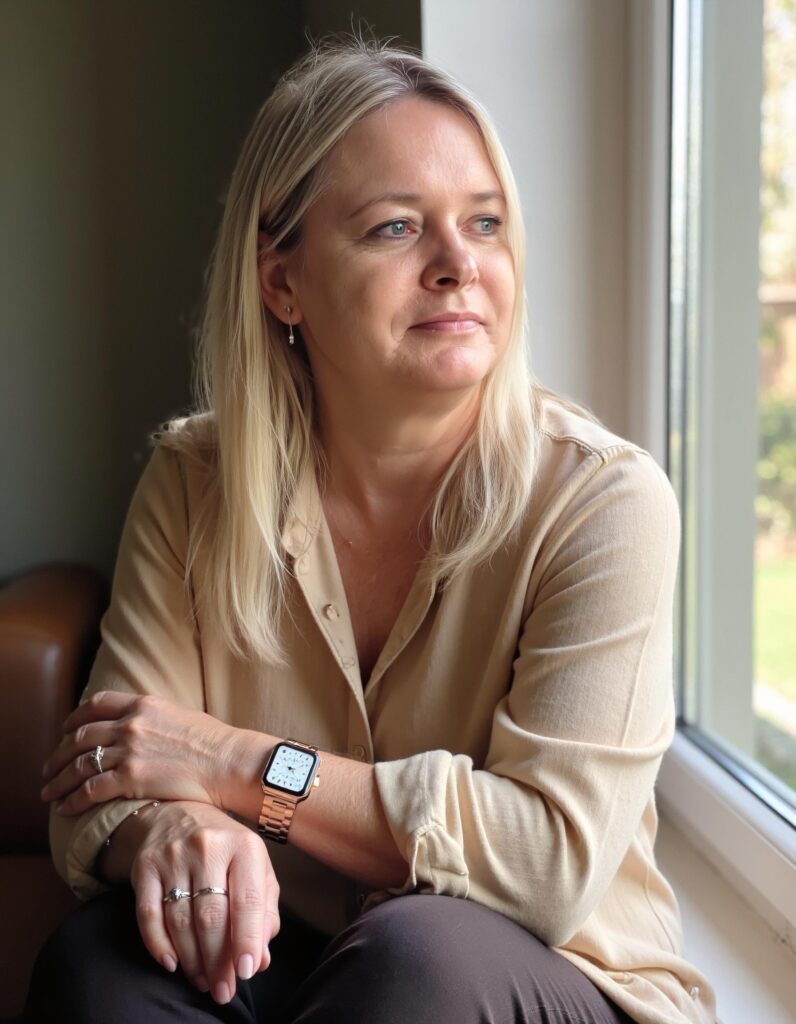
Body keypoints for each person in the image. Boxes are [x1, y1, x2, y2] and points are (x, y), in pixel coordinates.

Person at [28, 38, 716, 1024]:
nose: (459, 265)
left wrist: (229, 766)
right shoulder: (195, 481)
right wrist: (170, 831)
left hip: (541, 974)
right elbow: (101, 776)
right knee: (101, 964)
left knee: (412, 959)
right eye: (397, 227)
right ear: (282, 283)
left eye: (485, 222)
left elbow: (544, 861)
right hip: (284, 948)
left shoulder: (604, 502)